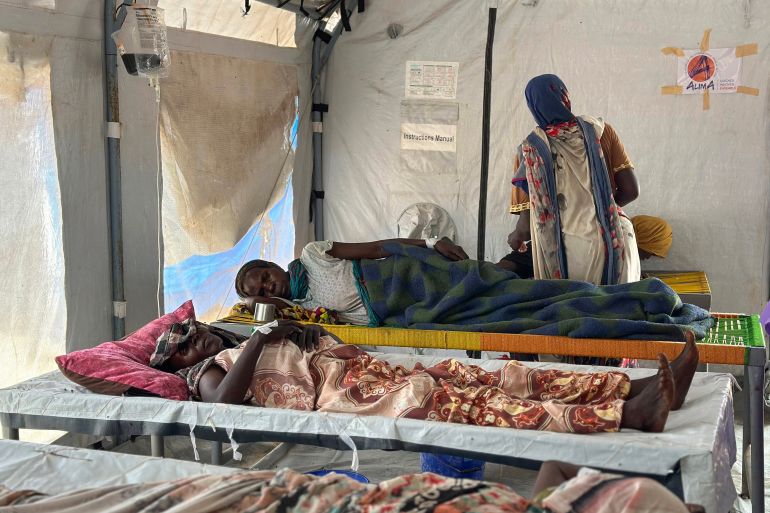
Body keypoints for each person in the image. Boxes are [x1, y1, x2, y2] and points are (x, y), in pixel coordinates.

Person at [150, 319, 700, 435]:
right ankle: (623, 415)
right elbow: (224, 403)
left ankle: (627, 387)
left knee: (479, 376)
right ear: (177, 364)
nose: (194, 341)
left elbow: (320, 349)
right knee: (464, 404)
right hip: (346, 397)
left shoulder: (240, 341)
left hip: (360, 370)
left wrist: (305, 334)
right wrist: (260, 340)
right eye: (183, 346)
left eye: (193, 333)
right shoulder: (207, 374)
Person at [232, 238, 713, 342]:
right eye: (260, 290)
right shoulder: (299, 312)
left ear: (271, 264)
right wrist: (270, 305)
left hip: (421, 280)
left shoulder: (314, 255)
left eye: (264, 276)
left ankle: (651, 298)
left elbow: (378, 248)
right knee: (527, 320)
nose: (268, 285)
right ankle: (639, 315)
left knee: (531, 293)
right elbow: (275, 326)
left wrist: (429, 245)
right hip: (416, 314)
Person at [502, 74, 641, 285]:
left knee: (571, 305)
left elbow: (526, 225)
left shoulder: (531, 150)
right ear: (565, 97)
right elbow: (631, 191)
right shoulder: (602, 131)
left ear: (533, 107)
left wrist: (516, 238)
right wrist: (602, 211)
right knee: (619, 304)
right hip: (615, 240)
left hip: (564, 250)